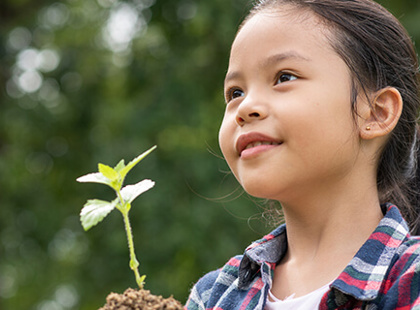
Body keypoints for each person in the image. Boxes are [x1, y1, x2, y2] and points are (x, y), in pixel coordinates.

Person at [185, 0, 420, 309]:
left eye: (284, 77)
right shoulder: (214, 295)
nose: (245, 108)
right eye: (235, 93)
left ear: (376, 113)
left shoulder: (411, 280)